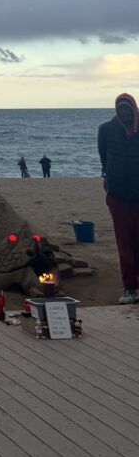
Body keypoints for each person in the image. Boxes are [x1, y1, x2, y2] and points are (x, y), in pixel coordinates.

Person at [98, 93, 139, 305]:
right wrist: (110, 180)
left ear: (134, 110)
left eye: (128, 109)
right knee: (124, 241)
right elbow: (104, 159)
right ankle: (129, 287)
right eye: (121, 108)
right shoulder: (105, 130)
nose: (125, 113)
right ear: (117, 110)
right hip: (117, 194)